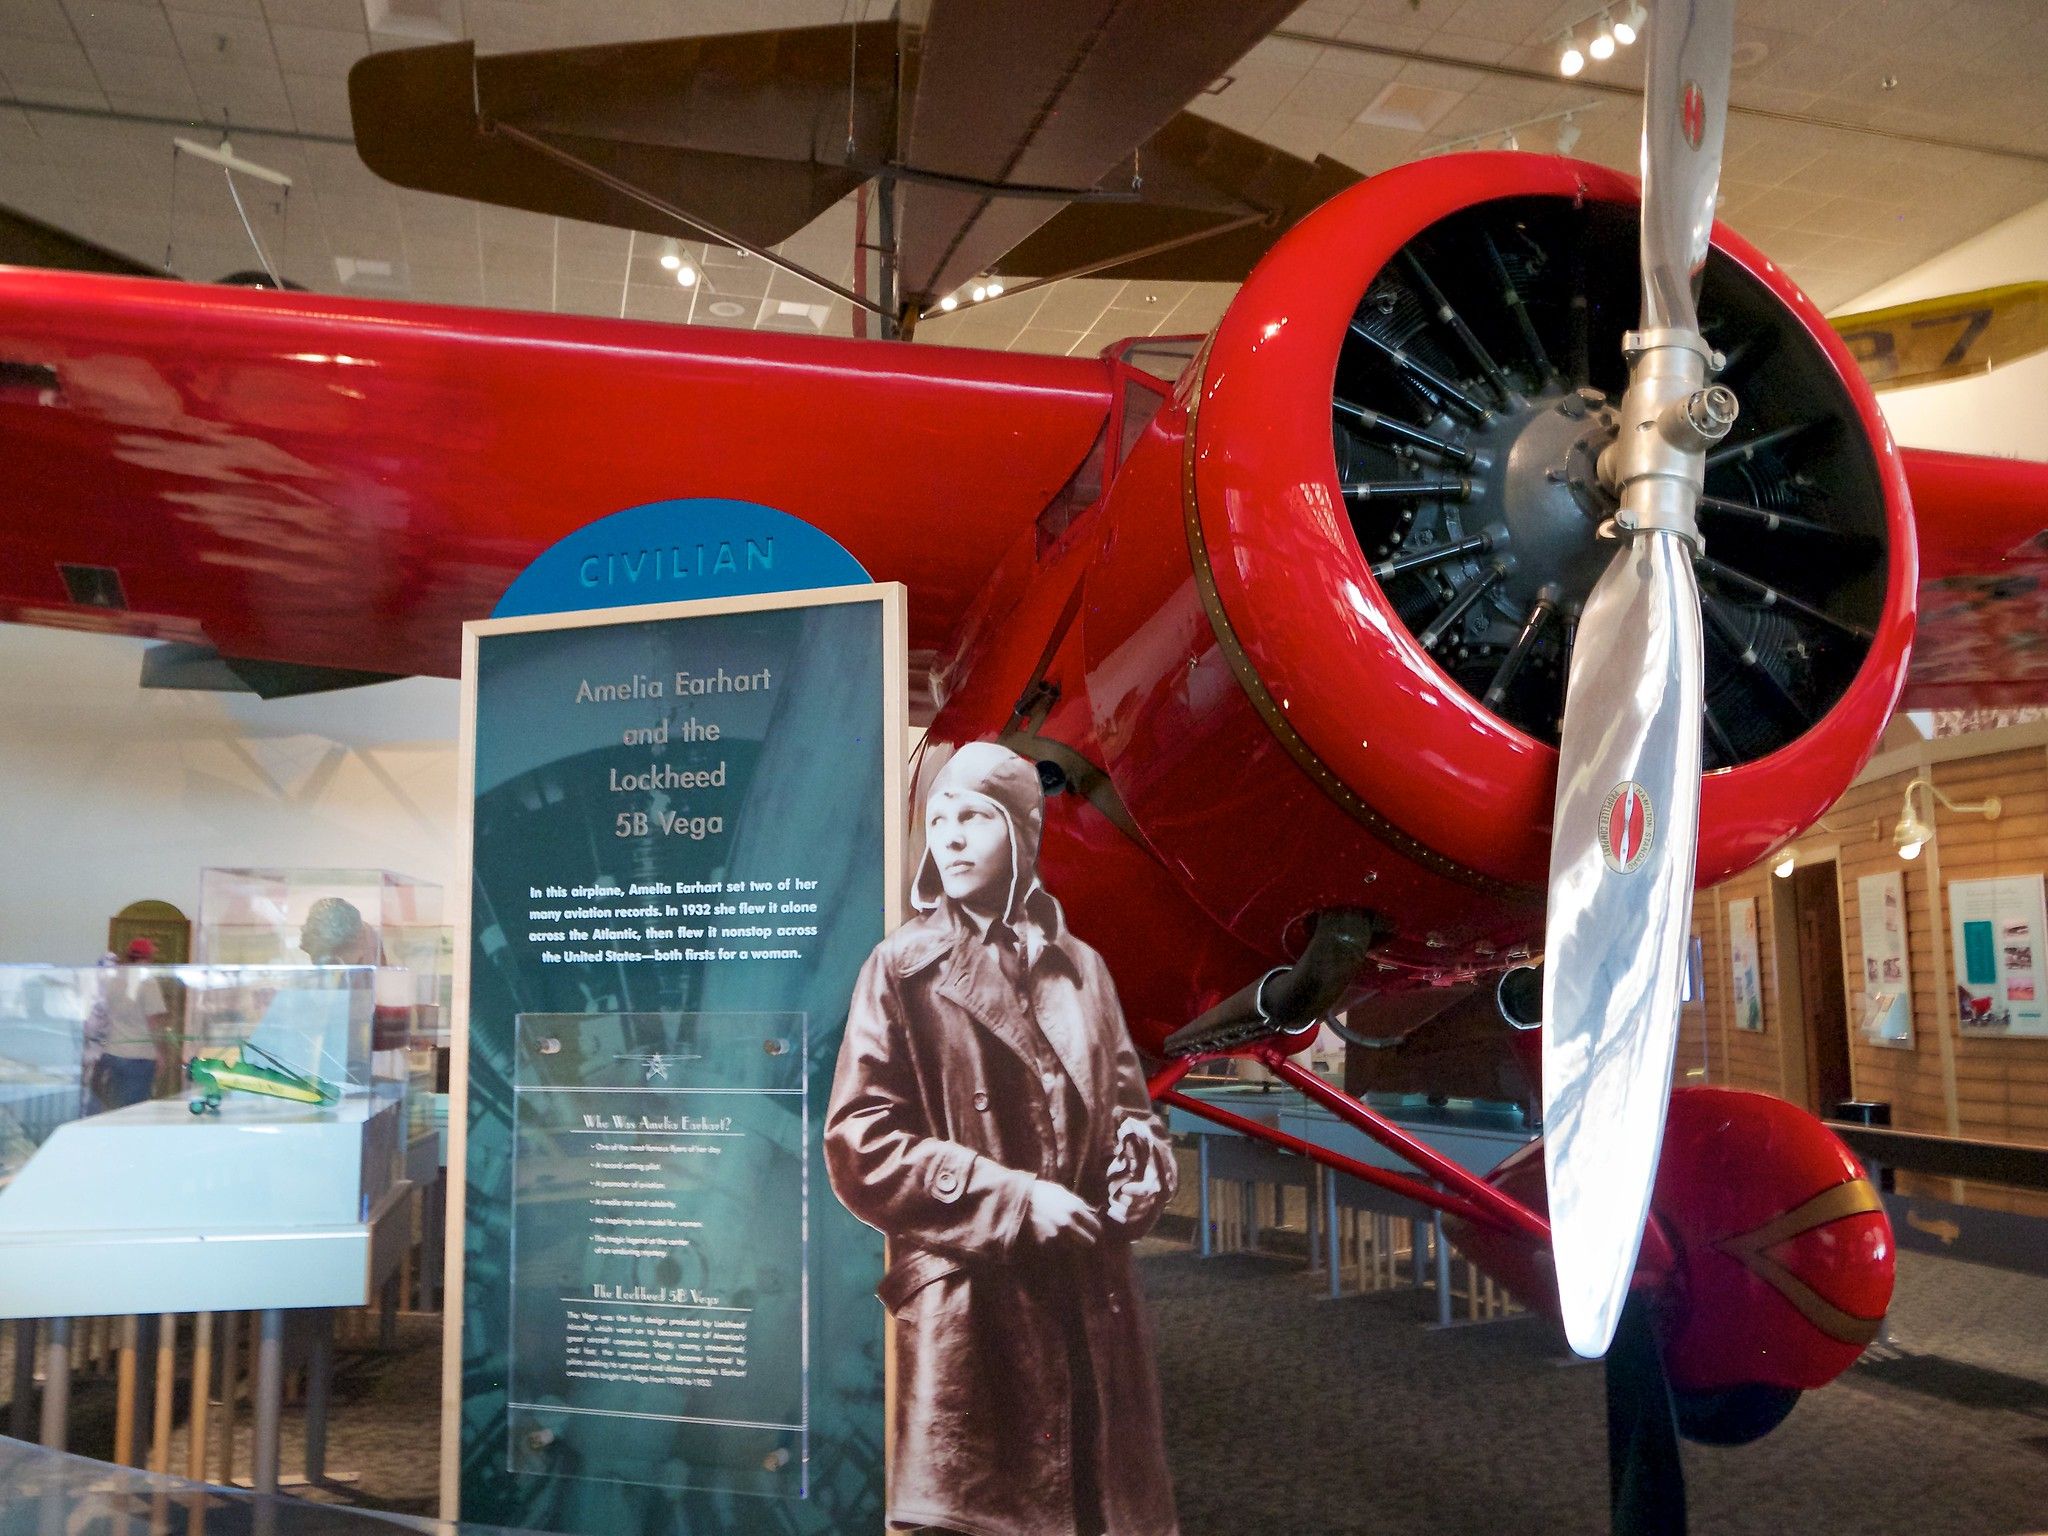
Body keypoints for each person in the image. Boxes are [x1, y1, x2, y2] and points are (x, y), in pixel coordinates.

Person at [826, 742, 1180, 1536]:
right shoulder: (901, 968)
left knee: (1097, 1511)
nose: (948, 837)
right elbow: (858, 1143)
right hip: (974, 1316)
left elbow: (1131, 1109)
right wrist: (1013, 1199)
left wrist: (1140, 1165)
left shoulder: (1085, 970)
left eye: (974, 819)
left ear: (1022, 834)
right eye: (939, 819)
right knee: (982, 1516)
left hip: (1092, 1306)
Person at [89, 938, 170, 1111]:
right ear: (147, 957)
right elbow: (153, 1022)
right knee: (133, 1112)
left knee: (112, 1110)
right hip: (139, 1057)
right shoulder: (147, 981)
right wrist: (161, 1054)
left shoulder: (114, 978)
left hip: (112, 1052)